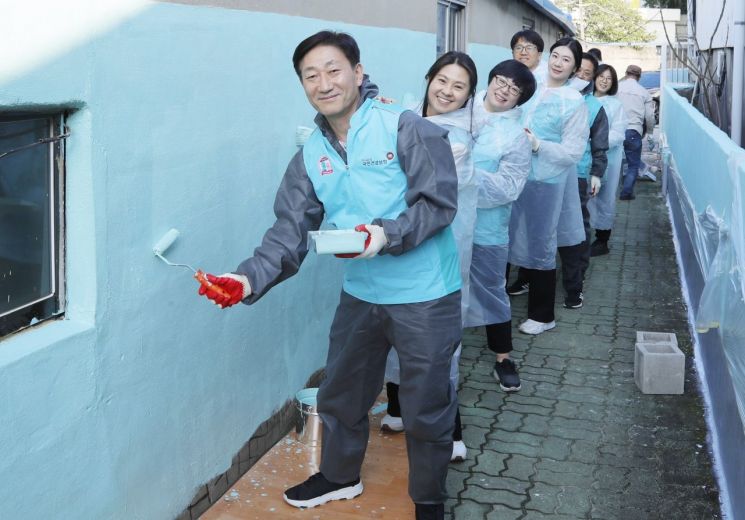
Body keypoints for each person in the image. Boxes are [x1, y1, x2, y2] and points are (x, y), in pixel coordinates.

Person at [197, 31, 462, 520]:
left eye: (333, 69)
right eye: (310, 75)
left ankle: (429, 500)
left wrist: (386, 234)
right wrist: (245, 280)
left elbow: (439, 204)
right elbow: (287, 232)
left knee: (426, 407)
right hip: (362, 292)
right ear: (302, 85)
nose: (324, 82)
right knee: (342, 393)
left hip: (425, 292)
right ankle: (340, 477)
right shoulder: (310, 152)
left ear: (358, 73)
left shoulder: (405, 127)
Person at [381, 51, 479, 465]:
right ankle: (398, 408)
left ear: (469, 95)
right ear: (429, 78)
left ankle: (449, 429)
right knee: (390, 318)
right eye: (442, 80)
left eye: (459, 87)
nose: (447, 91)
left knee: (435, 337)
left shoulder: (453, 137)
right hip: (397, 240)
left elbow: (404, 172)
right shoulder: (404, 115)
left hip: (438, 248)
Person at [507, 37, 589, 334]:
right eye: (555, 56)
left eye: (566, 59)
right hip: (513, 174)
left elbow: (573, 152)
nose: (557, 63)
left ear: (576, 69)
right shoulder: (531, 86)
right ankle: (496, 301)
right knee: (504, 236)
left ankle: (542, 316)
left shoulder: (574, 101)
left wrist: (539, 145)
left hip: (546, 181)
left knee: (542, 244)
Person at [464, 59, 534, 390]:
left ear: (519, 99)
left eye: (514, 89)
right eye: (501, 81)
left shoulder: (515, 136)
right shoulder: (461, 110)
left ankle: (503, 358)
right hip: (445, 225)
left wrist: (463, 175)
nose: (504, 90)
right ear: (491, 80)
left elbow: (508, 187)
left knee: (492, 289)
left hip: (487, 229)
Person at [557, 52, 608, 309]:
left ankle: (575, 285)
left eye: (587, 73)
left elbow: (600, 146)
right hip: (547, 171)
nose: (581, 76)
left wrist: (596, 173)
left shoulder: (595, 107)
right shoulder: (552, 95)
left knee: (575, 230)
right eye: (579, 70)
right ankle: (527, 277)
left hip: (577, 174)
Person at [587, 64, 628, 256]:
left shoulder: (615, 105)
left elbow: (618, 134)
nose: (604, 80)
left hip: (607, 159)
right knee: (584, 197)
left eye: (609, 78)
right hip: (583, 158)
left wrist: (594, 142)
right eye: (601, 76)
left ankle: (602, 239)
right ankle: (582, 237)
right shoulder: (583, 100)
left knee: (604, 198)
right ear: (594, 77)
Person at [616, 64, 655, 200]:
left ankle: (611, 190)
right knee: (633, 164)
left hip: (616, 129)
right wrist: (649, 132)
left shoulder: (616, 88)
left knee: (614, 161)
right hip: (633, 131)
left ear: (626, 73)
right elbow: (649, 116)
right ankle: (626, 193)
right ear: (639, 77)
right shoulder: (644, 92)